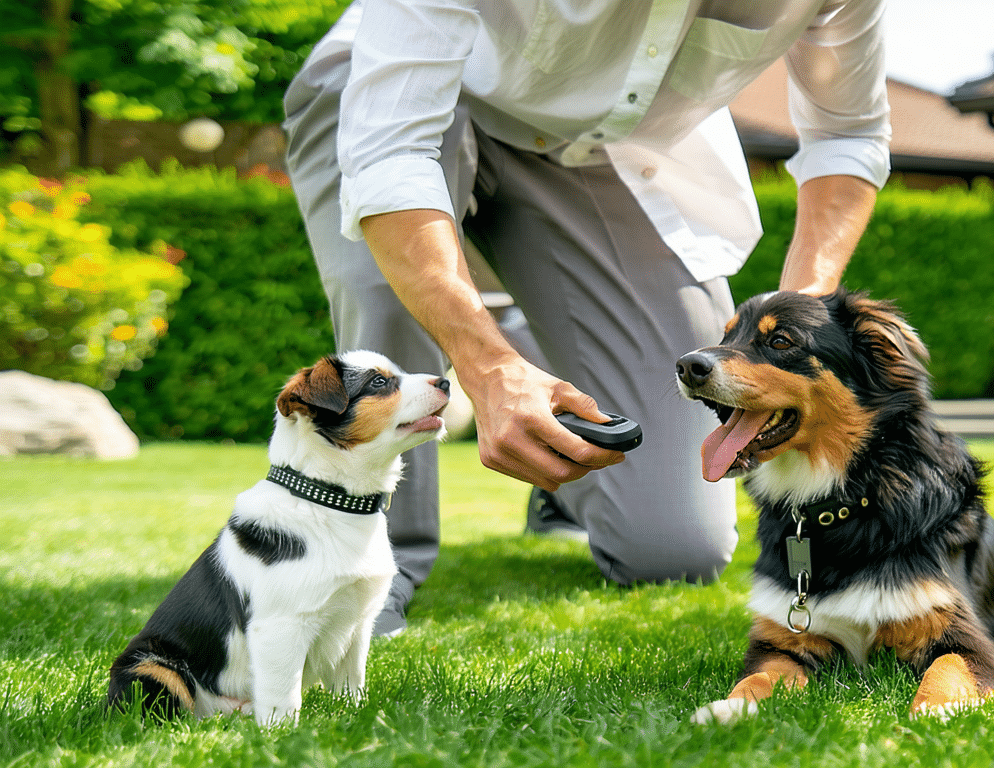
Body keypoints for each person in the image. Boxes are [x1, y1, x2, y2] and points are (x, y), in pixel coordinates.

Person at [283, 0, 892, 635]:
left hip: (593, 150)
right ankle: (372, 560)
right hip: (396, 101)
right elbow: (391, 156)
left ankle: (544, 406)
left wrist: (790, 330)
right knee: (385, 289)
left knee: (672, 550)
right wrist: (486, 369)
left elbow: (846, 136)